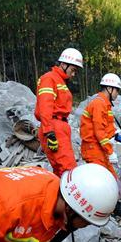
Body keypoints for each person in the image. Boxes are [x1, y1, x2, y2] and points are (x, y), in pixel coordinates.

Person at [35, 48, 83, 176]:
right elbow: (45, 107)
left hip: (60, 127)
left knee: (60, 171)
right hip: (54, 127)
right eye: (73, 70)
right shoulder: (49, 78)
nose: (73, 74)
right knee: (69, 170)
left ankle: (57, 195)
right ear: (63, 64)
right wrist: (49, 133)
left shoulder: (60, 81)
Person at [79, 73, 121, 179]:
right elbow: (99, 131)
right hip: (94, 149)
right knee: (102, 181)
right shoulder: (99, 104)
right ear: (109, 89)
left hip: (99, 149)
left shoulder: (104, 104)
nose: (117, 94)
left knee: (111, 179)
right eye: (117, 90)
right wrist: (110, 152)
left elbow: (109, 130)